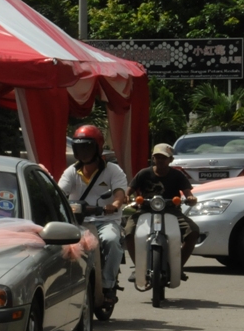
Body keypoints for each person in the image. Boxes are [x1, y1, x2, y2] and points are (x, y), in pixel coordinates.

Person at [58, 125, 128, 305]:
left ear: (97, 148)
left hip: (106, 220)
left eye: (87, 147)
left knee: (112, 240)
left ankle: (108, 285)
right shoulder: (71, 172)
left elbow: (120, 192)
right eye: (79, 148)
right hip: (79, 222)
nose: (83, 152)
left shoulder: (113, 170)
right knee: (64, 248)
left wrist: (114, 204)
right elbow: (60, 193)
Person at [124, 142, 199, 279]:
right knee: (128, 232)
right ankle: (138, 267)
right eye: (157, 157)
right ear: (153, 159)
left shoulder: (177, 175)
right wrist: (127, 197)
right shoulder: (144, 173)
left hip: (172, 211)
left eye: (164, 157)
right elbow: (130, 190)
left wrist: (191, 198)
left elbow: (188, 192)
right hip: (145, 211)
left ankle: (177, 267)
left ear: (171, 160)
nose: (160, 160)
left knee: (193, 231)